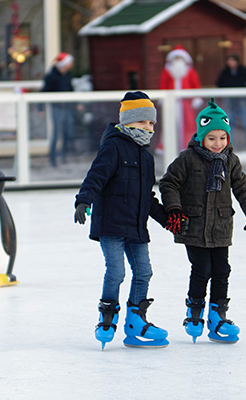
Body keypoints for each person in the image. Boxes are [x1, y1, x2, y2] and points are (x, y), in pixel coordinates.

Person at [159, 98, 246, 344]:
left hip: (221, 225)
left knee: (222, 270)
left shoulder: (231, 160)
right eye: (211, 138)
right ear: (201, 137)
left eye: (222, 137)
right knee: (202, 269)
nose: (217, 143)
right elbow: (168, 183)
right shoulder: (187, 158)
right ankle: (194, 312)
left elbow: (243, 187)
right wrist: (175, 210)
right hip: (194, 225)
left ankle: (218, 316)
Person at [74, 91, 170, 349]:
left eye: (151, 123)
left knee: (144, 272)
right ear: (127, 122)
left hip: (136, 226)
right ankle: (107, 317)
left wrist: (168, 220)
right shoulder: (113, 146)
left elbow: (147, 197)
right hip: (112, 225)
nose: (148, 128)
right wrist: (84, 200)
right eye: (142, 123)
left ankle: (136, 321)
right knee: (116, 272)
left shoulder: (147, 158)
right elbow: (96, 176)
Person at [158, 45, 202, 149]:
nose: (178, 60)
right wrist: (162, 97)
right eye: (176, 58)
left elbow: (195, 85)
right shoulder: (167, 71)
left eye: (179, 58)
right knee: (169, 123)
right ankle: (166, 146)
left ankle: (189, 144)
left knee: (188, 124)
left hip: (186, 102)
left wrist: (196, 97)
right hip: (171, 102)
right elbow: (163, 85)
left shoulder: (190, 71)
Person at [216, 53, 246, 148]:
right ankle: (230, 143)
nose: (231, 63)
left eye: (233, 60)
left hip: (241, 101)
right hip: (230, 101)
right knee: (229, 122)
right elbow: (219, 84)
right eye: (229, 61)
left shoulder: (243, 71)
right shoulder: (225, 72)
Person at [42, 52, 75, 167]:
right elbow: (44, 91)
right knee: (56, 133)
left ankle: (63, 156)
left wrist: (76, 104)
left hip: (67, 107)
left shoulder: (68, 75)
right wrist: (40, 108)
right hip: (56, 107)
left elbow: (71, 90)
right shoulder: (51, 76)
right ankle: (53, 158)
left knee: (67, 131)